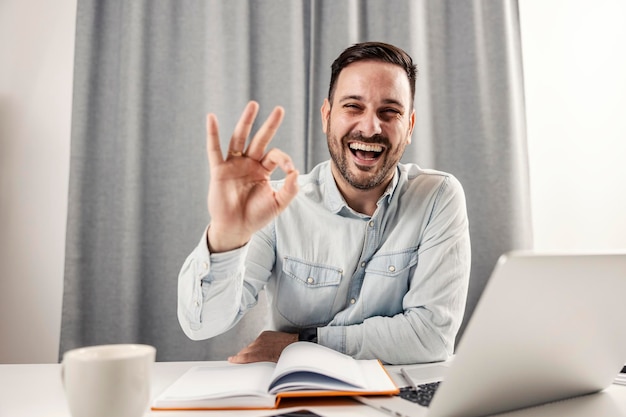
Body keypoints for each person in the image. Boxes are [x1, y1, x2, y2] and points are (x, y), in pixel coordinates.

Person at [177, 41, 471, 365]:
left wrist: (301, 344)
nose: (371, 127)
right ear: (327, 117)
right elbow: (201, 324)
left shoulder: (439, 197)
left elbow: (431, 337)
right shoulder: (275, 206)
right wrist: (225, 236)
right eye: (353, 107)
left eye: (390, 111)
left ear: (410, 126)